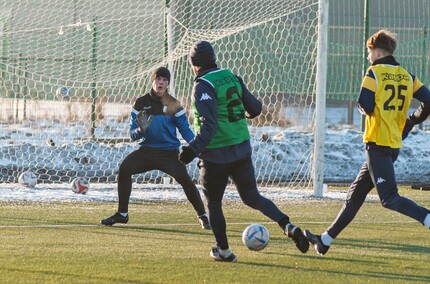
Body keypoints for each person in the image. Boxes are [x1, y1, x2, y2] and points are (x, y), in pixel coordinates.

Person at [179, 40, 309, 262]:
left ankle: (224, 251)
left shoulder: (202, 85)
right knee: (251, 196)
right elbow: (257, 108)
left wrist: (192, 149)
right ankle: (286, 225)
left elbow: (209, 125)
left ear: (194, 64)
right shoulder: (231, 76)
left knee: (213, 203)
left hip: (216, 155)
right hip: (241, 149)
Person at [305, 29, 430, 255]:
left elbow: (365, 103)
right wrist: (411, 121)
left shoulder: (374, 72)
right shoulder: (407, 76)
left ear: (378, 52)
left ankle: (428, 217)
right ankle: (324, 240)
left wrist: (367, 109)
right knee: (354, 196)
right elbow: (428, 100)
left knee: (389, 199)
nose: (368, 57)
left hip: (377, 145)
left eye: (369, 52)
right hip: (392, 145)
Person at [101, 67, 211, 230]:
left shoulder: (174, 104)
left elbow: (185, 130)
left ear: (168, 83)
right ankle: (122, 214)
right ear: (153, 81)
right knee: (125, 169)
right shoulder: (140, 103)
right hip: (146, 152)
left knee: (185, 181)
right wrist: (141, 130)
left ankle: (203, 216)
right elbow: (132, 135)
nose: (161, 82)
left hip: (169, 154)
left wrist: (198, 146)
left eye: (164, 79)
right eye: (158, 79)